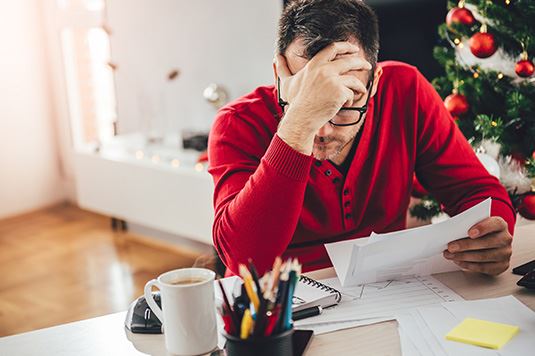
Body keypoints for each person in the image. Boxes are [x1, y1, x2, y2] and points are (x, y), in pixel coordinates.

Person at [208, 0, 514, 276]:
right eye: (304, 97)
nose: (323, 130)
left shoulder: (405, 90)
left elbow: (475, 191)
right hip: (279, 304)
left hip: (381, 292)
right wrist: (297, 124)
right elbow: (244, 261)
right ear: (280, 74)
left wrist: (492, 233)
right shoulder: (236, 123)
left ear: (374, 82)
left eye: (344, 104)